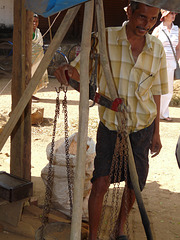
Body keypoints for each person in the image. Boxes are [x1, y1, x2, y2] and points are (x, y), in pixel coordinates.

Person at [54, 2, 168, 240]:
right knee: (101, 181)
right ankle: (94, 236)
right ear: (129, 12)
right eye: (141, 17)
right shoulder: (103, 39)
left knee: (134, 184)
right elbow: (79, 70)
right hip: (111, 125)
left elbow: (157, 91)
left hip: (142, 126)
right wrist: (67, 71)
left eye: (153, 19)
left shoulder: (157, 48)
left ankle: (120, 227)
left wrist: (156, 132)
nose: (146, 24)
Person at [152, 10, 180, 121]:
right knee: (157, 88)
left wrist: (176, 60)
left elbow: (178, 48)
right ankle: (156, 113)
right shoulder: (158, 29)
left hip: (171, 63)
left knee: (168, 90)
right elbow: (152, 46)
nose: (173, 16)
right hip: (159, 63)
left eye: (174, 14)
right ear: (165, 15)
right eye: (171, 14)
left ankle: (164, 113)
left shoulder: (177, 30)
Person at [32, 13, 49, 100]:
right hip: (30, 59)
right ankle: (27, 94)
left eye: (36, 21)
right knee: (29, 76)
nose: (34, 23)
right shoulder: (27, 32)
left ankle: (32, 93)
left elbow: (40, 44)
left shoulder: (38, 32)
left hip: (38, 58)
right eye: (33, 21)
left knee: (36, 75)